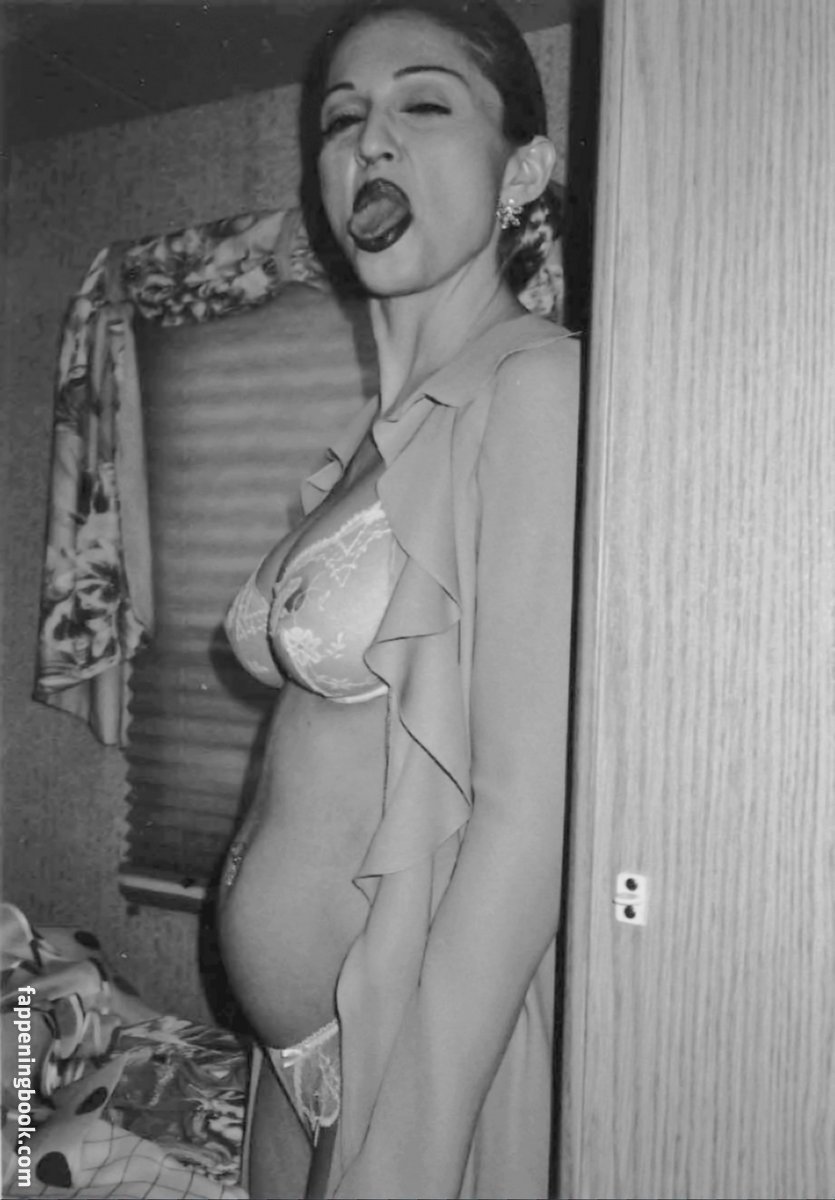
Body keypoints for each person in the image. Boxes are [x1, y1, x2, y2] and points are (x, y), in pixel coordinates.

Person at [217, 1, 580, 1196]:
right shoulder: (371, 442)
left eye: (424, 104)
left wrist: (404, 1161)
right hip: (294, 1059)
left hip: (403, 1067)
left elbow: (527, 821)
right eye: (342, 119)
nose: (370, 140)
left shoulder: (539, 388)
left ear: (520, 170)